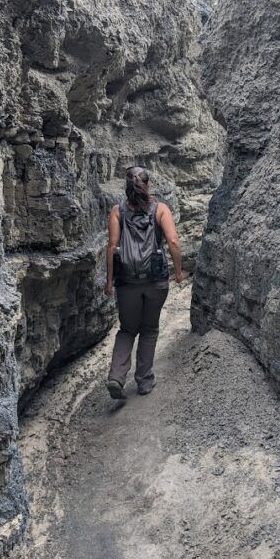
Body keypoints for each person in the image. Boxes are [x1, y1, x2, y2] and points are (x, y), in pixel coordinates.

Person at [104, 166, 183, 399]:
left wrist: (109, 281)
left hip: (126, 282)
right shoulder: (161, 209)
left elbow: (112, 246)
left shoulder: (117, 211)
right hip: (156, 280)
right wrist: (178, 272)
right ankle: (144, 382)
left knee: (128, 329)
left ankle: (116, 378)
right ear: (148, 185)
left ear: (126, 187)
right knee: (149, 329)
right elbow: (173, 241)